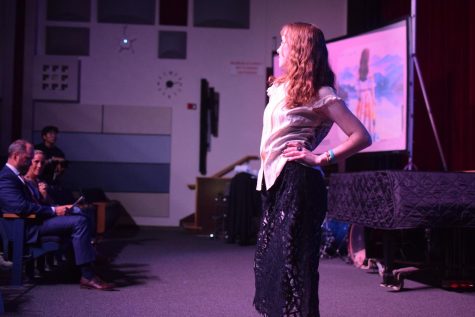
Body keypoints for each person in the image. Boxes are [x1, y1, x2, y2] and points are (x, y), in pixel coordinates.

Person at [254, 22, 372, 317]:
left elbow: (361, 136)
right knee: (273, 261)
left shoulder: (321, 93)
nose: (278, 48)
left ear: (298, 49)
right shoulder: (281, 87)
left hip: (300, 181)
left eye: (283, 42)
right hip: (276, 181)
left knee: (297, 263)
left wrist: (321, 158)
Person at [0, 140, 113, 290]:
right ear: (15, 155)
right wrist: (53, 211)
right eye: (28, 158)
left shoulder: (16, 176)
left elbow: (30, 204)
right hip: (25, 228)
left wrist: (51, 205)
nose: (29, 163)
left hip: (34, 222)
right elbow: (20, 207)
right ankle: (88, 274)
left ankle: (82, 271)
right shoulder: (6, 177)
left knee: (79, 217)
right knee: (78, 222)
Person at [355, 48, 377, 141]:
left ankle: (362, 138)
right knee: (370, 117)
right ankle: (371, 136)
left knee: (363, 117)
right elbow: (372, 87)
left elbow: (357, 86)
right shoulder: (369, 70)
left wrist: (359, 97)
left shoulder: (359, 70)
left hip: (362, 95)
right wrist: (373, 99)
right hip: (367, 95)